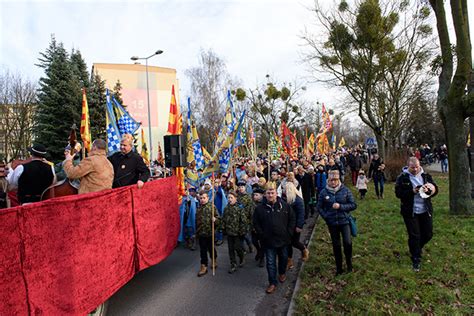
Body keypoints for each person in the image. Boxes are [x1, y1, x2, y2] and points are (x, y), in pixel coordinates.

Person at [395, 157, 438, 272]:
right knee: (415, 235)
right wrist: (412, 191)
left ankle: (416, 248)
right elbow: (398, 193)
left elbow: (435, 189)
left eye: (417, 167)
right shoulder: (402, 178)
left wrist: (430, 190)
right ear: (408, 166)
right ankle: (416, 259)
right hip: (410, 211)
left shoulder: (426, 176)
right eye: (412, 167)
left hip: (425, 209)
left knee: (428, 234)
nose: (415, 169)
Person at [253, 182, 295, 294]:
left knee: (283, 258)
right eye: (268, 193)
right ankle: (272, 282)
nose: (270, 195)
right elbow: (256, 223)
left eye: (272, 193)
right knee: (270, 262)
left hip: (283, 240)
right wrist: (262, 234)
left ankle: (282, 273)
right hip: (268, 241)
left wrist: (289, 233)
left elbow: (292, 219)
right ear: (265, 195)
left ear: (276, 193)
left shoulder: (284, 206)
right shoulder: (259, 209)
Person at [318, 170, 357, 276]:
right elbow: (319, 207)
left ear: (338, 180)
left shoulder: (345, 190)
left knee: (347, 242)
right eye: (331, 180)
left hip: (344, 221)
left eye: (335, 180)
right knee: (336, 245)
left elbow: (353, 205)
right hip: (332, 223)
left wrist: (341, 206)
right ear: (328, 180)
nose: (333, 182)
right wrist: (326, 217)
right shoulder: (324, 192)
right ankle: (339, 268)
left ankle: (349, 264)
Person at [196, 190, 221, 277]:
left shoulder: (212, 207)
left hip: (210, 232)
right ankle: (204, 266)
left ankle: (214, 259)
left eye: (204, 198)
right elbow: (197, 221)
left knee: (211, 248)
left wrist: (216, 220)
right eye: (201, 198)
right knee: (203, 250)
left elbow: (218, 218)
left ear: (208, 198)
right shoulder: (198, 208)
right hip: (201, 233)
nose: (202, 200)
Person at [285, 182, 310, 271]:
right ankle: (289, 261)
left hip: (295, 225)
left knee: (295, 242)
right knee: (288, 243)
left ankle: (304, 249)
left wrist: (299, 226)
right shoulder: (288, 199)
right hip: (288, 225)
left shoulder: (298, 200)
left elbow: (301, 214)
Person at [223, 191, 248, 274]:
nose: (229, 199)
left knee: (238, 248)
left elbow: (243, 221)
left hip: (238, 233)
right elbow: (224, 219)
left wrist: (242, 231)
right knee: (231, 249)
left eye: (231, 198)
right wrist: (223, 228)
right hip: (229, 232)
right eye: (228, 198)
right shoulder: (226, 208)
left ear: (235, 199)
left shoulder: (240, 208)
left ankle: (241, 257)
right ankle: (233, 264)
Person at [236, 180, 254, 253]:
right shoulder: (237, 196)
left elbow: (250, 209)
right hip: (238, 218)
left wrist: (250, 219)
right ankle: (243, 249)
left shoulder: (248, 197)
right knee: (240, 236)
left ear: (245, 188)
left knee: (246, 235)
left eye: (242, 187)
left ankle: (250, 245)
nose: (241, 188)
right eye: (239, 187)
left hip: (246, 218)